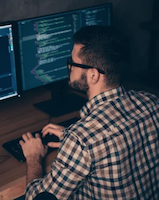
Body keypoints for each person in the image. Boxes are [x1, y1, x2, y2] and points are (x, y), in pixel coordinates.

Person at [19, 25, 159, 200]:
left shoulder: (81, 139)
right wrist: (73, 141)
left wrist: (33, 157)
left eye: (72, 63)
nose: (69, 68)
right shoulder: (151, 102)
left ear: (93, 75)